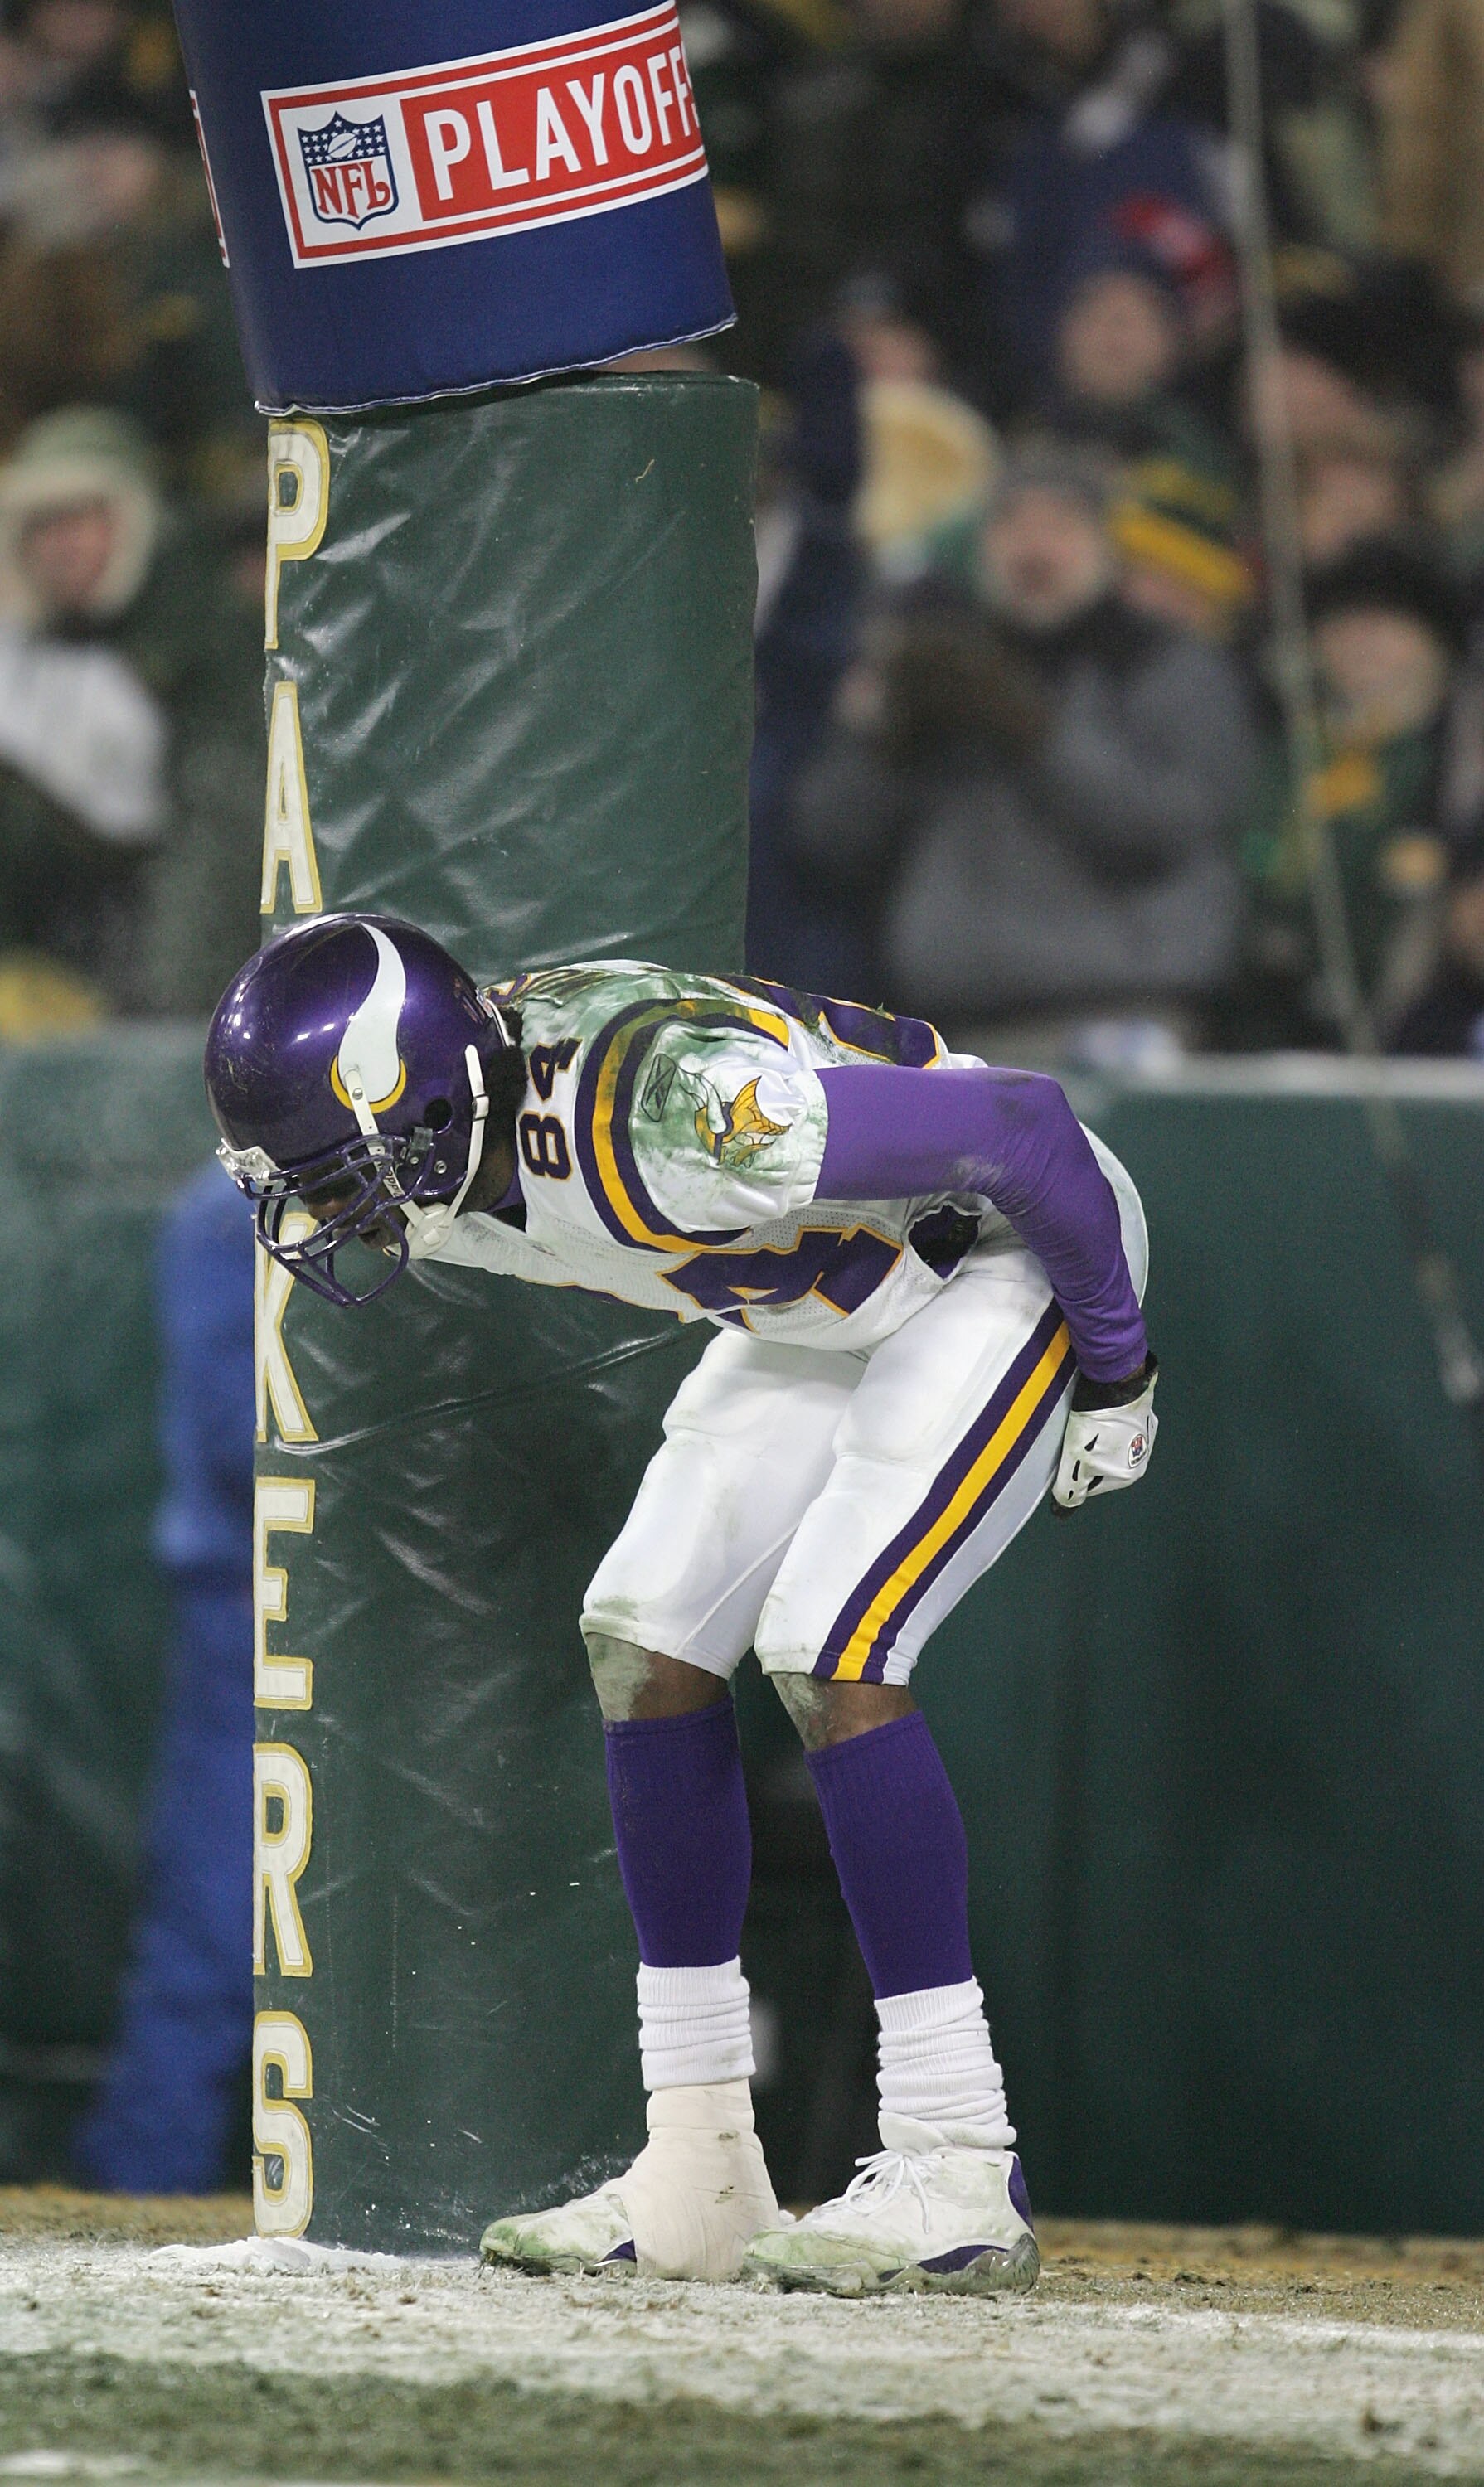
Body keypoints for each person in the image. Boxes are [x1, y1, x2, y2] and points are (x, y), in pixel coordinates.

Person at [205, 914, 1159, 2296]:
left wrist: (1122, 1370)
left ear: (423, 1104)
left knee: (832, 1642)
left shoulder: (666, 1115)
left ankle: (959, 2156)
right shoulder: (450, 1124)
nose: (333, 1211)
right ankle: (702, 2160)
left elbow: (1022, 1127)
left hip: (1001, 1254)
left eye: (347, 1170)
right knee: (644, 1639)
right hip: (824, 1300)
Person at [788, 444, 1254, 1058]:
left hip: (1118, 1023)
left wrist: (1035, 731)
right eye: (1011, 525)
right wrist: (887, 741)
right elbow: (829, 843)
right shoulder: (943, 665)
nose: (1034, 548)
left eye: (1060, 526)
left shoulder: (1166, 664)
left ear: (1107, 547)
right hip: (953, 1032)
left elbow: (1172, 829)